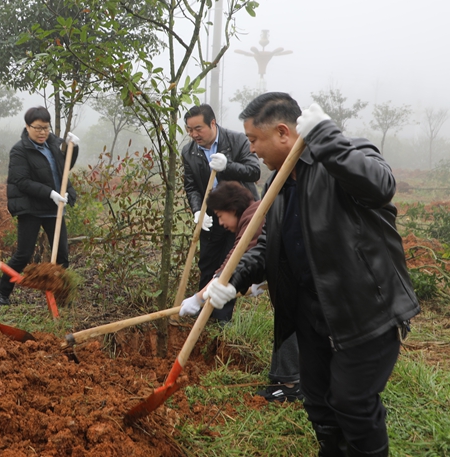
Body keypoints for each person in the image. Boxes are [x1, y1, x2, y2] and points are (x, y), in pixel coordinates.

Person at [203, 93, 420, 457]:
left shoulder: (344, 154)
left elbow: (381, 185)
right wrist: (231, 279)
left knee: (352, 401)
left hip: (363, 310)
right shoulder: (279, 185)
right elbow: (268, 244)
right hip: (311, 315)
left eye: (254, 139)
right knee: (318, 401)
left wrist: (327, 137)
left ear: (283, 132)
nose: (251, 149)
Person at [179, 181, 302, 403]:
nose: (220, 223)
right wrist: (260, 280)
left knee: (289, 316)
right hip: (292, 273)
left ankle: (289, 385)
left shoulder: (254, 218)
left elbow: (232, 263)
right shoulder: (252, 215)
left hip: (296, 277)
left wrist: (198, 298)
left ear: (232, 208)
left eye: (220, 215)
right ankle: (286, 380)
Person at [182, 104, 261, 323]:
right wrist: (198, 210)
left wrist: (228, 165)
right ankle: (202, 312)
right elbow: (191, 186)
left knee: (231, 263)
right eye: (189, 130)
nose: (194, 134)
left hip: (238, 215)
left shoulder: (237, 140)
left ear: (212, 123)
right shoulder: (189, 152)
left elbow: (254, 171)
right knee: (208, 263)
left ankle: (221, 320)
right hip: (211, 216)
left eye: (198, 128)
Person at [0, 106, 79, 306]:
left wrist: (74, 148)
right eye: (38, 128)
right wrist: (50, 193)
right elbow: (21, 181)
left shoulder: (54, 144)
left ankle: (62, 296)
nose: (42, 132)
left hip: (54, 208)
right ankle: (3, 293)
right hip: (31, 207)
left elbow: (65, 167)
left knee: (62, 255)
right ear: (27, 127)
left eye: (46, 128)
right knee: (23, 254)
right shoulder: (19, 150)